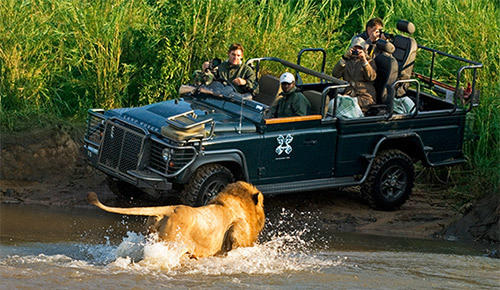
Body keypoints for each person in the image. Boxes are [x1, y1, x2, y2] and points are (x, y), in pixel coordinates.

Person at [331, 37, 377, 114]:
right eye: (355, 48)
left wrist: (364, 61)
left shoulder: (369, 61)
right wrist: (344, 58)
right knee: (334, 104)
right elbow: (335, 74)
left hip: (365, 97)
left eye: (359, 48)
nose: (357, 51)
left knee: (345, 105)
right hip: (349, 94)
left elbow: (372, 77)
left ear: (364, 50)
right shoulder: (347, 60)